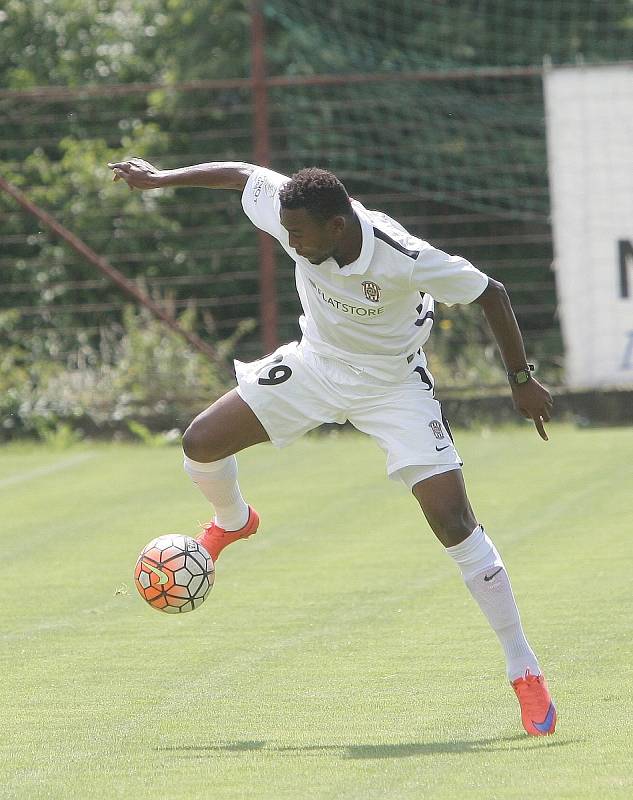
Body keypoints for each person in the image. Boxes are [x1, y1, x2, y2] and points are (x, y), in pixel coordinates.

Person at [109, 156, 556, 736]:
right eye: (286, 230)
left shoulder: (403, 255)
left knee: (453, 519)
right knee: (200, 444)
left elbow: (491, 294)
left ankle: (523, 668)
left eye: (299, 234)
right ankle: (234, 520)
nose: (289, 241)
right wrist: (161, 179)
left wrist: (521, 380)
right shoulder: (297, 215)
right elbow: (243, 175)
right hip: (317, 365)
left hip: (394, 384)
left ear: (338, 227)